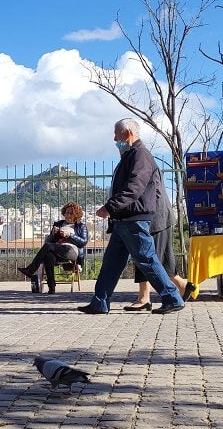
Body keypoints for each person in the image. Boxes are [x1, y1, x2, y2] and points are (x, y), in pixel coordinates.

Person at [78, 118, 185, 315]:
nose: (114, 139)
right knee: (112, 262)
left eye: (116, 134)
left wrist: (110, 207)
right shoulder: (131, 154)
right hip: (124, 219)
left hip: (134, 218)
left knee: (147, 259)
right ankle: (99, 301)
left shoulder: (140, 155)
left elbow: (134, 187)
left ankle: (172, 297)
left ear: (127, 133)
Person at [125, 174, 192, 310]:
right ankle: (182, 285)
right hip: (160, 215)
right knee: (160, 257)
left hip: (154, 217)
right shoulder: (143, 160)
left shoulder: (139, 160)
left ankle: (144, 297)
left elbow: (138, 188)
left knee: (145, 254)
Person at [17, 202, 88, 294]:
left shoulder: (80, 226)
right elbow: (50, 241)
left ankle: (30, 270)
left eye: (70, 213)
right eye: (66, 212)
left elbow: (83, 242)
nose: (68, 215)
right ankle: (51, 287)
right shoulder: (59, 224)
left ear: (76, 214)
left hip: (71, 250)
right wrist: (53, 235)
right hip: (57, 249)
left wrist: (69, 235)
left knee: (48, 246)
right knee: (49, 257)